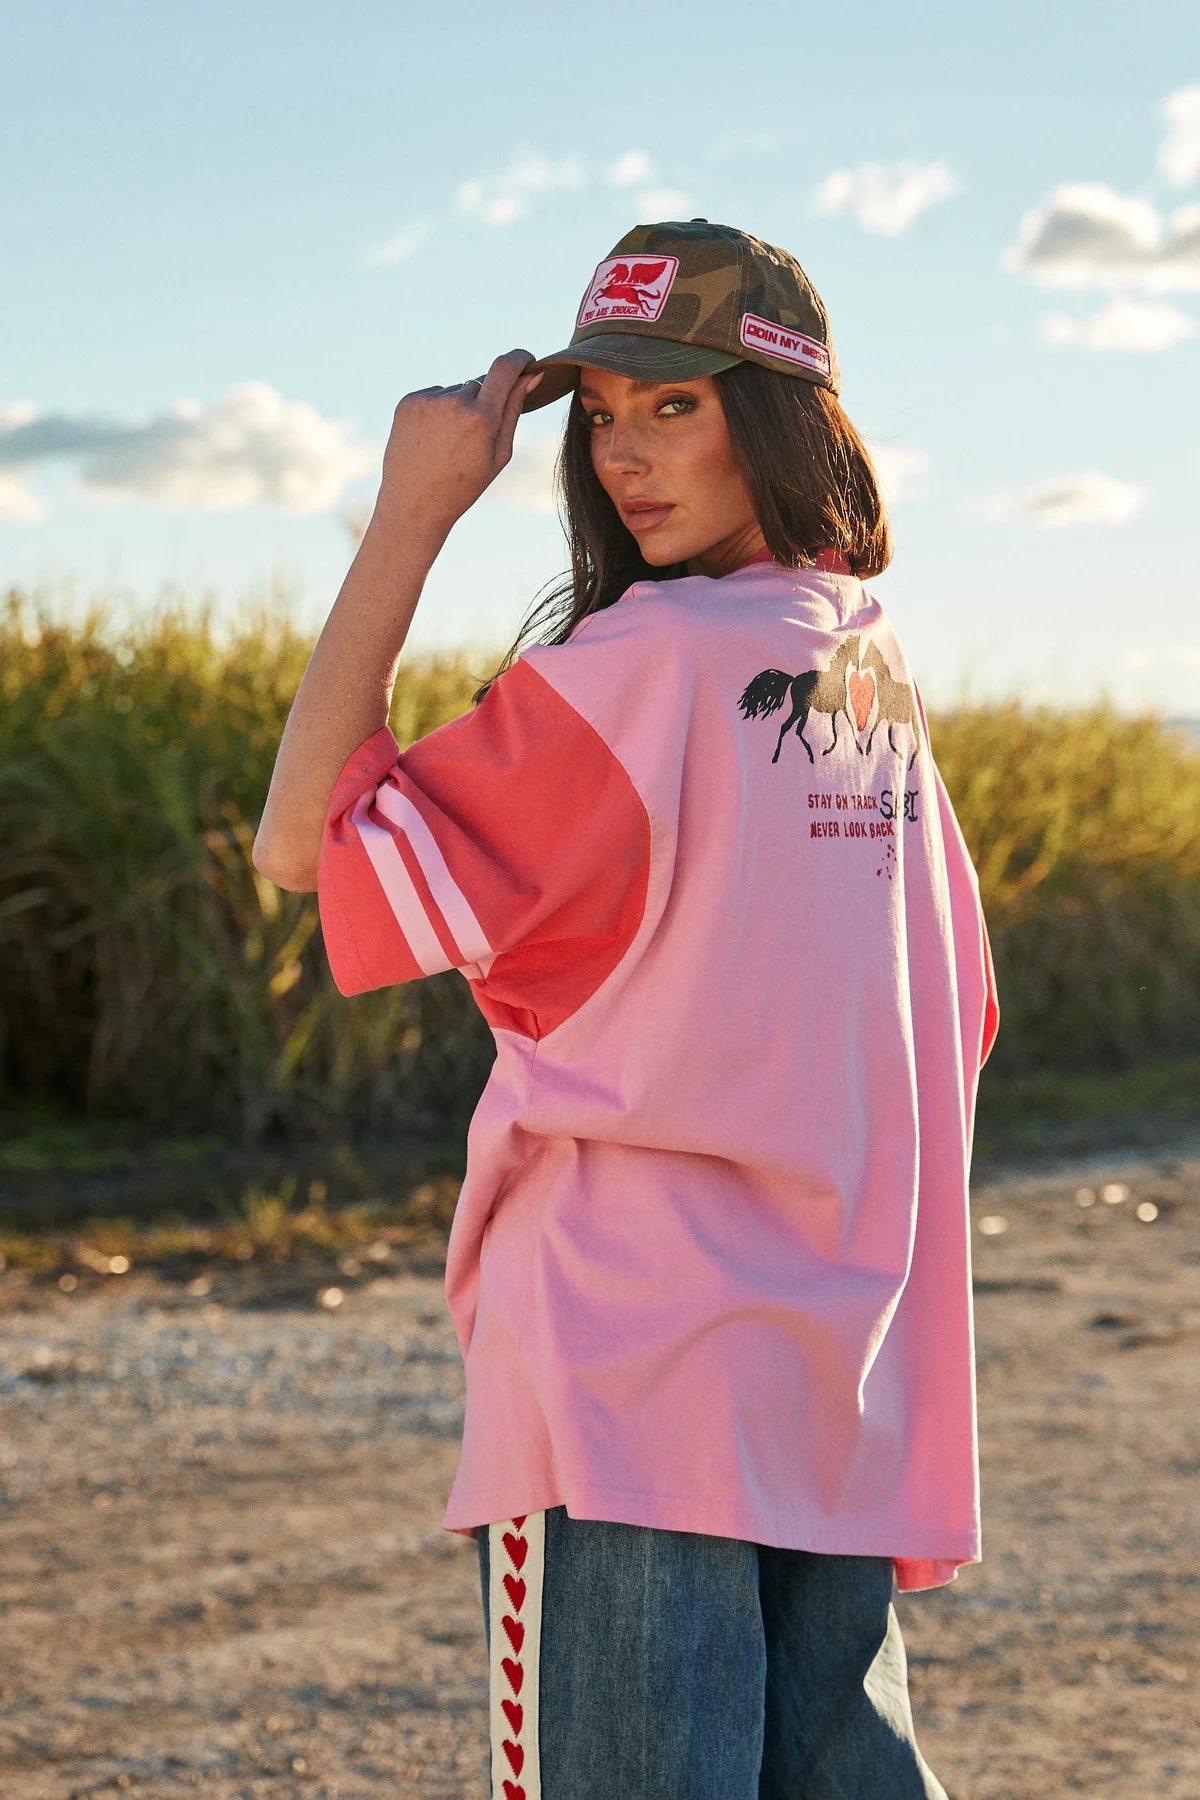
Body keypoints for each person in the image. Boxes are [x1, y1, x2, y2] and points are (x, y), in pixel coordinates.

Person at [254, 218, 999, 1800]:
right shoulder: (867, 673)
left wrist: (409, 515)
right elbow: (955, 1017)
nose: (626, 454)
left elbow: (300, 838)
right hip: (830, 1375)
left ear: (779, 416)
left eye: (675, 404)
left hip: (621, 1382)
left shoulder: (636, 667)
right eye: (600, 414)